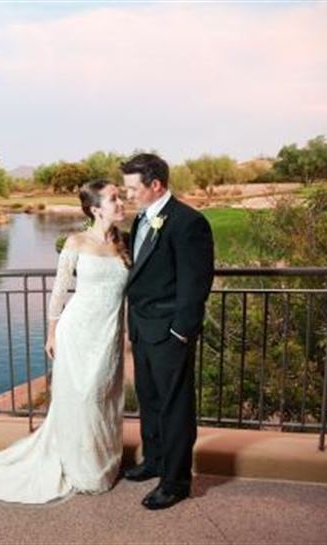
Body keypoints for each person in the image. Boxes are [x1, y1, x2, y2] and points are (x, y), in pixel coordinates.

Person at [0, 179, 131, 505]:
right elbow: (59, 291)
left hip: (108, 335)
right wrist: (52, 333)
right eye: (113, 198)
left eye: (120, 196)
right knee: (81, 399)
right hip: (77, 333)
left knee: (105, 397)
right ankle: (80, 467)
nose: (121, 202)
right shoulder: (76, 242)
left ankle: (102, 463)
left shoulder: (125, 244)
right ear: (95, 209)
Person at [121, 153, 214, 510]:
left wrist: (180, 332)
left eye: (133, 188)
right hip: (142, 329)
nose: (129, 195)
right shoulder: (141, 219)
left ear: (155, 185)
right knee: (149, 400)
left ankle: (175, 482)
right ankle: (155, 461)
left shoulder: (189, 222)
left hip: (170, 333)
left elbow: (195, 282)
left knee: (175, 408)